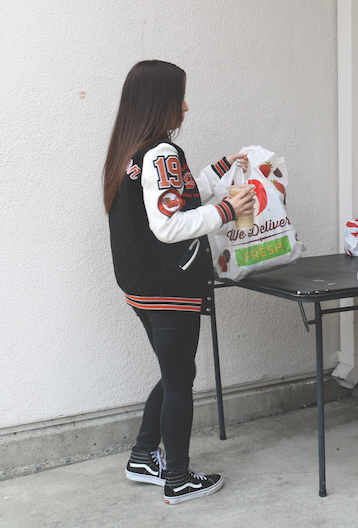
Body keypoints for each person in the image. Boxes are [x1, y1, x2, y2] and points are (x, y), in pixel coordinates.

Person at [103, 60, 255, 505]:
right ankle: (178, 478)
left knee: (175, 374)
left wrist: (221, 169)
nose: (186, 107)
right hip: (169, 285)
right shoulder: (162, 153)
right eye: (179, 97)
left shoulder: (133, 152)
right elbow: (169, 225)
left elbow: (179, 194)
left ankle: (143, 457)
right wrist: (227, 210)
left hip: (142, 286)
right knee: (178, 382)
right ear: (159, 101)